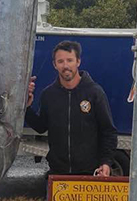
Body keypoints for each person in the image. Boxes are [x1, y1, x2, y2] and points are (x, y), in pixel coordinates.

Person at [25, 40, 117, 177]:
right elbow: (41, 127)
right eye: (60, 61)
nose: (66, 65)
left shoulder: (94, 93)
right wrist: (26, 108)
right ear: (54, 65)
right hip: (57, 173)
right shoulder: (48, 94)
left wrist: (106, 162)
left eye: (70, 60)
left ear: (78, 62)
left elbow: (108, 131)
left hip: (88, 172)